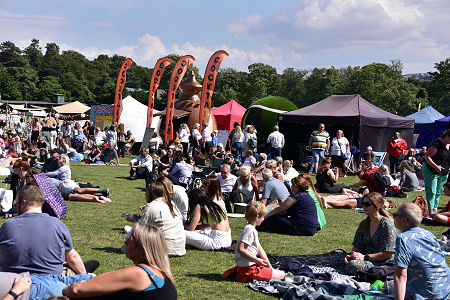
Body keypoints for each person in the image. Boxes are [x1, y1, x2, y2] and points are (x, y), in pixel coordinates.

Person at [63, 223, 177, 299]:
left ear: (141, 248)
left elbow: (76, 290)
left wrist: (67, 290)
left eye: (129, 239)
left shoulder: (138, 274)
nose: (125, 242)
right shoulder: (164, 276)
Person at [0, 185, 86, 275]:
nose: (15, 207)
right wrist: (85, 276)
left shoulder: (8, 225)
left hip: (16, 281)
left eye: (15, 204)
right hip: (50, 281)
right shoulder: (57, 224)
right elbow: (73, 258)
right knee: (70, 268)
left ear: (23, 203)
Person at [393, 202, 450, 300]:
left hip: (428, 295)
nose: (393, 217)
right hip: (445, 288)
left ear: (404, 220)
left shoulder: (403, 239)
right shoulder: (428, 234)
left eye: (395, 215)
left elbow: (401, 276)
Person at [344, 192, 397, 275]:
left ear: (378, 205)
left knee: (353, 266)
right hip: (364, 258)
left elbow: (388, 253)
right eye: (363, 203)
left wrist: (365, 257)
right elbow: (357, 245)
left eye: (367, 204)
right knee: (339, 259)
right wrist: (353, 255)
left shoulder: (387, 224)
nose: (364, 207)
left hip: (381, 262)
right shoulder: (364, 223)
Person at [233, 201, 286, 282]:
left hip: (248, 267)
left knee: (277, 272)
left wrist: (270, 267)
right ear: (257, 217)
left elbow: (260, 250)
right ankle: (244, 276)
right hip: (249, 269)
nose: (263, 219)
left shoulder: (250, 228)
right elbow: (241, 249)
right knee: (282, 275)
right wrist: (256, 260)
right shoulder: (250, 230)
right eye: (263, 217)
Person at [140, 182, 186, 257]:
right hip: (180, 248)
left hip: (164, 249)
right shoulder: (171, 203)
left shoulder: (151, 206)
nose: (145, 195)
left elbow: (140, 230)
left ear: (152, 194)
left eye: (146, 192)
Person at [422, 129, 449, 213]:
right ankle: (430, 212)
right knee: (432, 192)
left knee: (439, 192)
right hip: (431, 171)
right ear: (447, 136)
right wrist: (436, 166)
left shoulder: (449, 145)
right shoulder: (436, 144)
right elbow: (427, 156)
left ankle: (435, 210)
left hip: (444, 172)